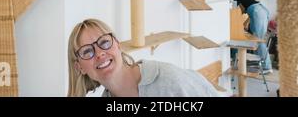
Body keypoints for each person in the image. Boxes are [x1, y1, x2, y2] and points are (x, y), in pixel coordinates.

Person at [67, 18, 219, 97]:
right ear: (79, 67)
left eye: (104, 42)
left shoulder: (169, 80)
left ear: (118, 44)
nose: (99, 53)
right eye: (87, 51)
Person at [233, 0, 273, 73]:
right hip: (262, 10)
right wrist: (246, 25)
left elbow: (239, 12)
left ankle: (266, 67)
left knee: (258, 40)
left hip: (257, 12)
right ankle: (261, 65)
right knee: (257, 40)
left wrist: (241, 25)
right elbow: (247, 11)